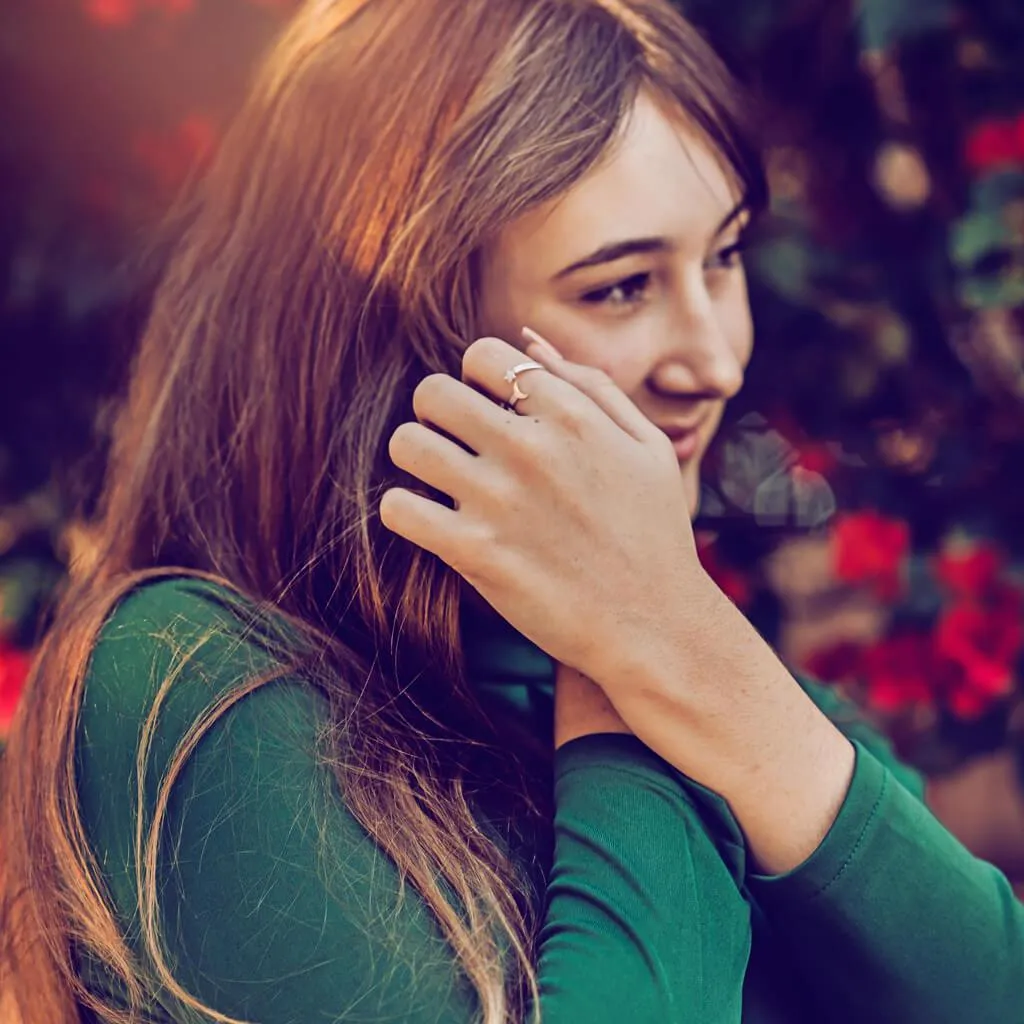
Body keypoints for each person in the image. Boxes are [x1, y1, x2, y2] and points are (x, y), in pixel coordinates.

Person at [1, 0, 1021, 1021]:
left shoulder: (722, 687)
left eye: (724, 255)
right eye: (621, 287)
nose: (714, 359)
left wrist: (669, 645)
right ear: (401, 335)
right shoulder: (188, 682)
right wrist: (629, 646)